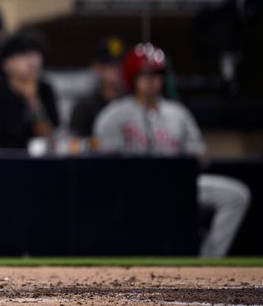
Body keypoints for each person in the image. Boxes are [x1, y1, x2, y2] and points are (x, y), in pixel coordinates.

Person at [94, 43, 251, 257]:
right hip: (135, 188)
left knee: (236, 196)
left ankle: (208, 261)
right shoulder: (114, 114)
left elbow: (200, 154)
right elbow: (104, 162)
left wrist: (194, 158)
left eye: (157, 75)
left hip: (178, 184)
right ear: (133, 77)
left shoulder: (177, 113)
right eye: (146, 75)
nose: (152, 82)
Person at [0, 33, 59, 151]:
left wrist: (32, 100)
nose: (33, 62)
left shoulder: (45, 89)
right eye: (25, 56)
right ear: (6, 64)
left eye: (36, 55)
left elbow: (50, 137)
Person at [68, 36, 127, 140]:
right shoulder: (85, 108)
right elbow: (76, 147)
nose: (117, 70)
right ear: (97, 67)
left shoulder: (133, 102)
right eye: (110, 65)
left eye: (120, 65)